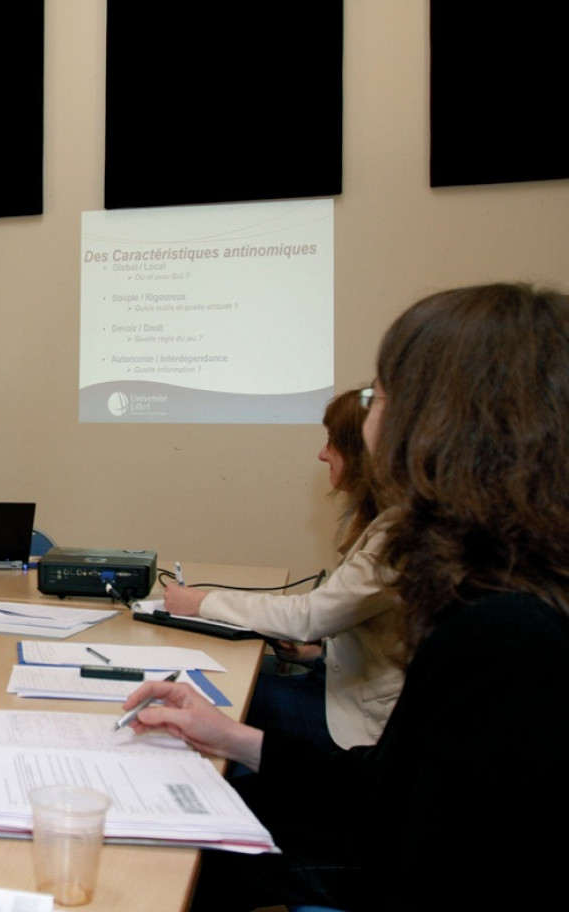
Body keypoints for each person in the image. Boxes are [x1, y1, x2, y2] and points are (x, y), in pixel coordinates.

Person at [127, 283, 569, 911]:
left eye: (377, 395)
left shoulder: (506, 635)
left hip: (365, 867)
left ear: (442, 421)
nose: (367, 417)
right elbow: (389, 786)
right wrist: (226, 735)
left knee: (175, 850)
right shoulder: (505, 588)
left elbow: (411, 848)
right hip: (365, 828)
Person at [161, 389, 405, 751]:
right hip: (340, 686)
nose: (323, 455)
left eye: (332, 443)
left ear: (362, 453)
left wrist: (199, 602)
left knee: (211, 691)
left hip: (358, 722)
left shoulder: (397, 535)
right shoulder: (386, 520)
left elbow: (310, 616)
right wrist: (317, 653)